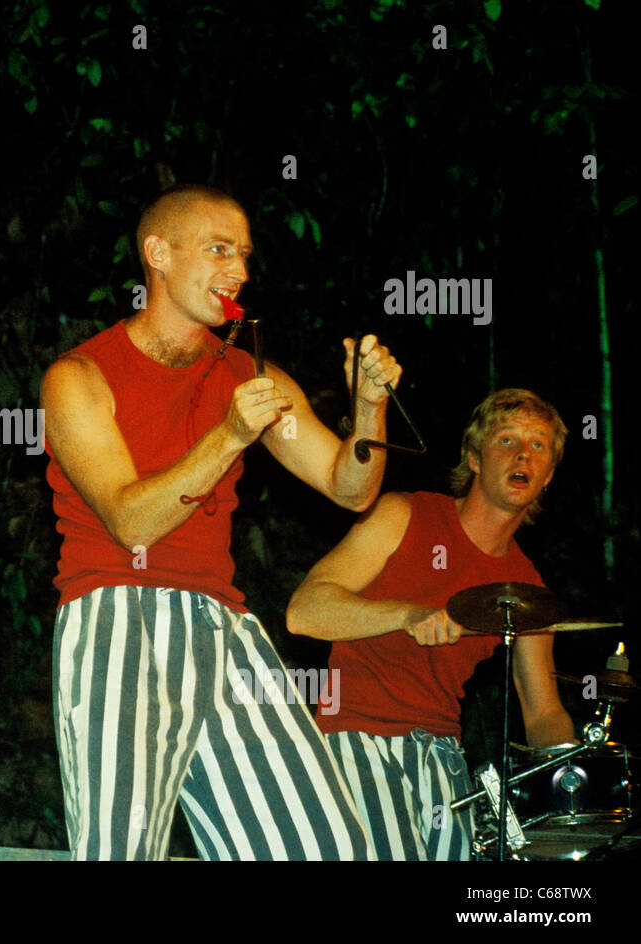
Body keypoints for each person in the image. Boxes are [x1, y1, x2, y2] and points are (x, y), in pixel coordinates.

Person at [41, 183, 402, 860]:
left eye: (243, 255)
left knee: (326, 847)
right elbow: (131, 521)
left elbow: (350, 488)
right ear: (158, 254)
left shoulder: (249, 370)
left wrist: (369, 409)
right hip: (119, 617)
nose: (237, 271)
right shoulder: (79, 375)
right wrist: (231, 434)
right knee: (121, 848)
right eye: (217, 250)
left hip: (223, 625)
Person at [286, 388, 574, 860]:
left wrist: (576, 774)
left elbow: (542, 712)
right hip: (358, 741)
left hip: (443, 755)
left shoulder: (524, 587)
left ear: (548, 476)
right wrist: (406, 614)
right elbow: (304, 612)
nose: (523, 454)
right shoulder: (404, 514)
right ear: (475, 458)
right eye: (506, 440)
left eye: (538, 445)